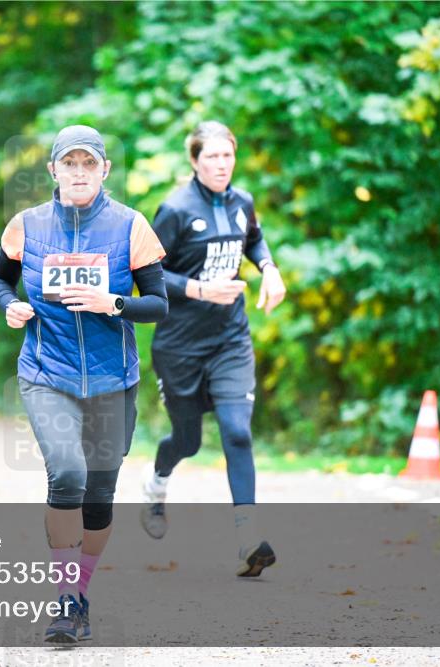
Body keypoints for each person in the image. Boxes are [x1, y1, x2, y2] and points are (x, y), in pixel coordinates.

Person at [0, 125, 168, 644]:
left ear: (105, 170)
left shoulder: (131, 226)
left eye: (90, 163)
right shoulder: (26, 225)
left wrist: (114, 303)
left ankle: (81, 590)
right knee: (67, 473)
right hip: (48, 373)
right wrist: (10, 305)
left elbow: (159, 304)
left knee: (100, 495)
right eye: (70, 163)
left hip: (113, 378)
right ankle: (66, 600)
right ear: (54, 170)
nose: (80, 172)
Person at [139, 121, 287, 578]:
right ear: (194, 161)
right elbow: (146, 274)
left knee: (237, 432)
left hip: (229, 339)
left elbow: (253, 238)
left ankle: (248, 541)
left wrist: (269, 268)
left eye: (228, 156)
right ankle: (156, 485)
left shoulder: (243, 202)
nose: (222, 165)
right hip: (180, 346)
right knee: (187, 441)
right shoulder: (175, 209)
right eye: (212, 157)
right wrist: (200, 290)